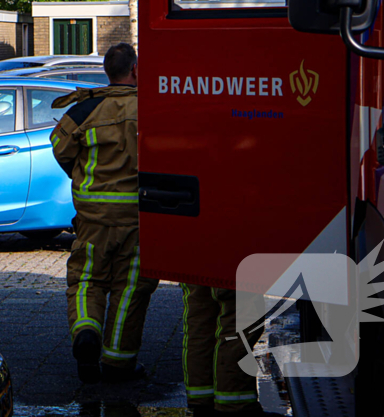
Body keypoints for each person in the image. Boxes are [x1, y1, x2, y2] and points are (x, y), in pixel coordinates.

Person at [50, 42, 159, 384]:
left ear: (106, 72)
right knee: (131, 288)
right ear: (136, 71)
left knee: (86, 280)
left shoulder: (85, 109)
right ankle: (118, 364)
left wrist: (80, 174)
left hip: (93, 217)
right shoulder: (154, 108)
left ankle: (86, 331)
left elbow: (59, 147)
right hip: (139, 219)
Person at [182, 286, 274, 416]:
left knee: (201, 317)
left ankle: (202, 400)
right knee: (238, 319)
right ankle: (236, 405)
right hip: (231, 267)